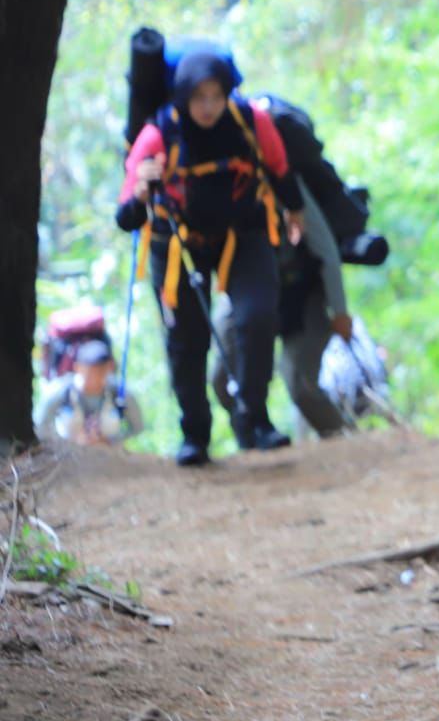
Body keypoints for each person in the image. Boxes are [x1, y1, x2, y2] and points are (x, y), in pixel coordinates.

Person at [115, 49, 305, 466]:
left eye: (215, 96)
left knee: (258, 316)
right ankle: (194, 434)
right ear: (183, 96)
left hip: (243, 231)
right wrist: (143, 191)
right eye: (199, 96)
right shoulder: (159, 134)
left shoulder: (250, 121)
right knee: (187, 337)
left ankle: (255, 419)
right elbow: (126, 216)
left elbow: (278, 168)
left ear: (227, 94)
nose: (208, 106)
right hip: (178, 241)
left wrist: (294, 212)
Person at [212, 174, 354, 440]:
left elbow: (325, 248)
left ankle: (346, 443)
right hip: (243, 291)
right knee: (222, 378)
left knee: (301, 385)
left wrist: (340, 310)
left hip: (298, 296)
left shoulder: (279, 178)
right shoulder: (206, 177)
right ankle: (252, 439)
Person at [33, 338, 145, 446]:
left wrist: (110, 441)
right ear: (77, 367)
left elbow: (137, 427)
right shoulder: (60, 391)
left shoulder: (120, 394)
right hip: (66, 456)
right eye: (90, 373)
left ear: (110, 367)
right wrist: (67, 444)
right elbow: (39, 425)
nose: (95, 379)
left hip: (108, 456)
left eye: (100, 372)